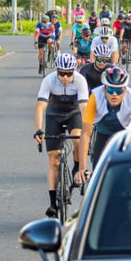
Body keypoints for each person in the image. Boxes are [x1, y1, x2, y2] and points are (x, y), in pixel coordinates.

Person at [33, 53, 90, 217]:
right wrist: (38, 129)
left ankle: (76, 166)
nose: (65, 77)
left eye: (69, 73)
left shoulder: (80, 80)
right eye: (61, 73)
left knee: (78, 139)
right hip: (54, 115)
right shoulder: (49, 80)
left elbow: (84, 107)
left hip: (73, 114)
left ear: (74, 71)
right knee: (54, 159)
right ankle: (52, 203)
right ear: (57, 70)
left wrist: (86, 129)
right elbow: (40, 106)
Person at [79, 66, 131, 171]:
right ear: (104, 89)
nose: (114, 94)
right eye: (110, 89)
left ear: (125, 90)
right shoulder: (95, 96)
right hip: (103, 133)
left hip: (124, 134)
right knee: (98, 170)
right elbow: (85, 134)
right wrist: (82, 168)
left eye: (118, 91)